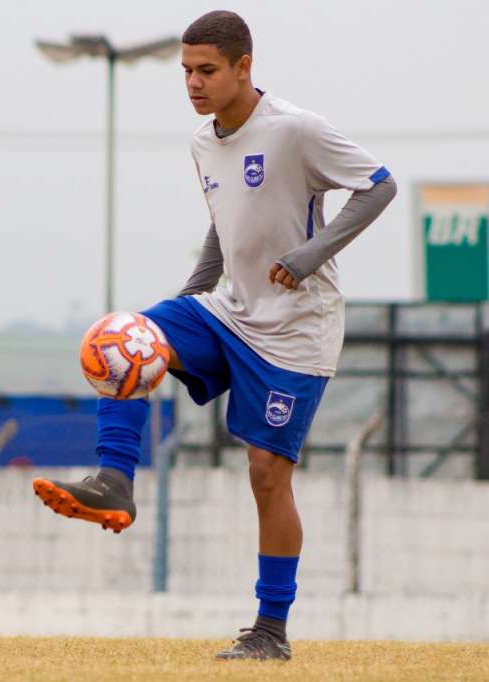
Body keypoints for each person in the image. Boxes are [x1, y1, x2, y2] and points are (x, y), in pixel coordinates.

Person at [32, 9, 397, 661]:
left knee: (266, 474)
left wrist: (311, 255)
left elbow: (378, 186)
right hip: (229, 311)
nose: (193, 83)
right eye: (186, 71)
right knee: (125, 336)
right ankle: (114, 481)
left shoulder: (295, 130)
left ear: (243, 67)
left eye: (206, 71)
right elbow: (223, 230)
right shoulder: (203, 144)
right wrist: (179, 310)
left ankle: (270, 631)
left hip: (297, 333)